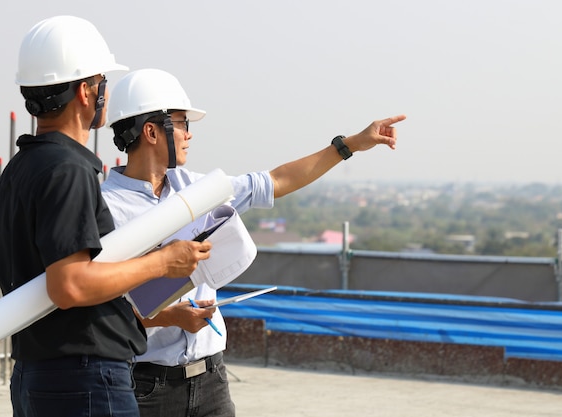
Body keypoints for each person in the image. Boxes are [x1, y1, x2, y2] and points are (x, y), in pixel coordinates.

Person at [100, 67, 406, 417]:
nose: (189, 135)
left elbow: (276, 180)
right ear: (152, 131)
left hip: (212, 380)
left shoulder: (199, 190)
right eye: (183, 123)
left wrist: (349, 145)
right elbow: (97, 308)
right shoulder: (105, 208)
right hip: (147, 390)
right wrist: (168, 318)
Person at [0, 18, 213, 417]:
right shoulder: (67, 170)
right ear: (85, 91)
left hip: (40, 373)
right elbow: (70, 285)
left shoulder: (21, 169)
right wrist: (163, 262)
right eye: (102, 81)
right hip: (84, 380)